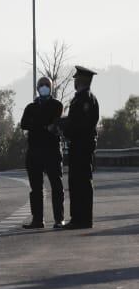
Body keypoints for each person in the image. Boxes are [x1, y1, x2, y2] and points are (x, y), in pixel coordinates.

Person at [20, 77, 65, 229]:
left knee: (56, 186)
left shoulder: (57, 105)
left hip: (52, 150)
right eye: (41, 85)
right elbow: (24, 124)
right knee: (36, 189)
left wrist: (37, 124)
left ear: (51, 88)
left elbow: (54, 121)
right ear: (37, 88)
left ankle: (59, 219)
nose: (44, 87)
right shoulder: (30, 107)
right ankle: (37, 219)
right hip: (34, 152)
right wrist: (44, 125)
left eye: (47, 85)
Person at [58, 66, 100, 230]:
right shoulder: (82, 98)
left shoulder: (85, 99)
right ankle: (78, 217)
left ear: (81, 81)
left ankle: (82, 219)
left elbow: (81, 124)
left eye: (76, 79)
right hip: (79, 145)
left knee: (81, 182)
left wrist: (65, 129)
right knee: (76, 182)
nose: (74, 82)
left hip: (82, 145)